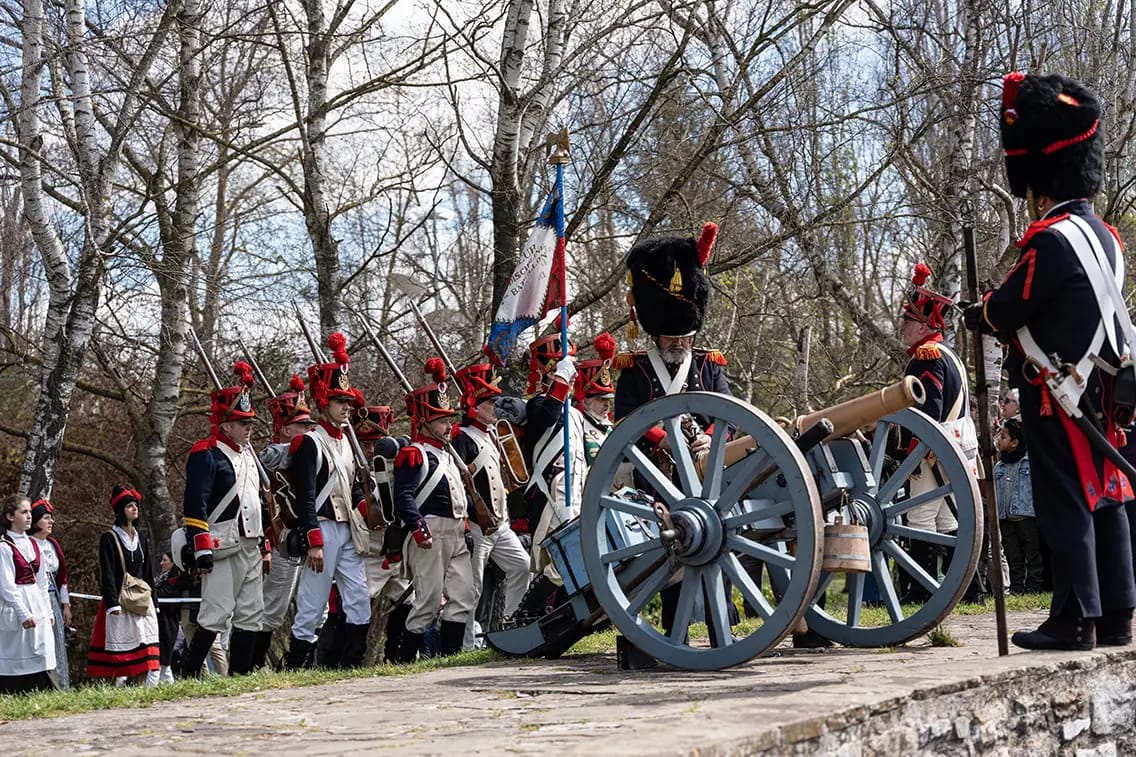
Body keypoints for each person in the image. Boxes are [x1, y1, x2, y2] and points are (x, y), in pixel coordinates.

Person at [964, 72, 1135, 649]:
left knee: (1064, 504)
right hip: (1104, 391)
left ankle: (1075, 619)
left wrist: (979, 312)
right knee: (1107, 495)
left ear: (1041, 183)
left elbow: (1011, 307)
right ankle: (1117, 614)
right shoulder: (1107, 236)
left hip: (1057, 388)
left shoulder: (1048, 239)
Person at [613, 222, 737, 645]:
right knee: (667, 553)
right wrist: (663, 439)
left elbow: (729, 414)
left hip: (706, 472)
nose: (680, 343)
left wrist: (708, 437)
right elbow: (625, 420)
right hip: (658, 474)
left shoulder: (708, 364)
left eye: (685, 336)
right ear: (655, 332)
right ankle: (670, 632)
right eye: (672, 336)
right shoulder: (635, 369)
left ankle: (722, 627)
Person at [285, 333, 372, 669]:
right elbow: (305, 495)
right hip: (321, 528)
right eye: (340, 402)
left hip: (348, 529)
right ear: (324, 404)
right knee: (312, 603)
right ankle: (296, 666)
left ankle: (353, 663)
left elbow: (353, 489)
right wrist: (313, 541)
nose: (347, 407)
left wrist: (368, 511)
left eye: (348, 402)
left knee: (359, 597)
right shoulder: (309, 443)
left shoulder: (347, 442)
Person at [180, 361, 270, 677]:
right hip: (220, 544)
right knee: (215, 612)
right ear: (225, 424)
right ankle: (189, 673)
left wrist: (265, 542)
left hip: (251, 542)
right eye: (241, 422)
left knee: (251, 613)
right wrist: (201, 547)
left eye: (249, 422)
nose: (248, 428)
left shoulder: (248, 456)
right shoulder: (205, 453)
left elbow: (256, 502)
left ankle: (241, 674)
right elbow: (195, 503)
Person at [897, 262, 978, 603]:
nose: (903, 326)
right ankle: (970, 590)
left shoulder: (927, 356)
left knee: (921, 517)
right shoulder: (949, 353)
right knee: (947, 519)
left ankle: (922, 590)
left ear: (924, 325)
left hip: (930, 447)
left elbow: (927, 409)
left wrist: (913, 454)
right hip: (952, 445)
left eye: (908, 321)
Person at [389, 358, 476, 662]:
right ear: (424, 421)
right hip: (429, 533)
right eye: (440, 420)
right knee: (427, 601)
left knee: (463, 595)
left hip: (454, 532)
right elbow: (404, 496)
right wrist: (417, 527)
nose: (447, 425)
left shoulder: (447, 455)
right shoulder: (414, 454)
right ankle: (403, 658)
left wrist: (465, 530)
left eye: (448, 419)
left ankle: (450, 658)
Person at [453, 361, 531, 650]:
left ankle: (510, 623)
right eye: (489, 402)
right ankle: (467, 644)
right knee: (472, 587)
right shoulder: (461, 437)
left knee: (521, 566)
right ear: (474, 405)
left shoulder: (494, 433)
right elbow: (459, 485)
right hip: (476, 525)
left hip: (500, 524)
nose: (495, 407)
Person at [255, 374, 317, 669]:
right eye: (301, 426)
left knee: (318, 607)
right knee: (274, 608)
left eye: (308, 426)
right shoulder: (271, 455)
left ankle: (301, 663)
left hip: (311, 533)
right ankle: (251, 665)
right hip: (283, 539)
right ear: (284, 428)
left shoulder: (310, 452)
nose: (307, 431)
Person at [354, 405, 414, 663]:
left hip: (398, 551)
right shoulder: (353, 471)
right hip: (370, 552)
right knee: (359, 606)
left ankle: (397, 656)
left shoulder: (397, 468)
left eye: (375, 443)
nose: (369, 451)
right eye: (364, 444)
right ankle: (352, 659)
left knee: (407, 601)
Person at [87, 485, 160, 686]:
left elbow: (148, 572)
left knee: (146, 650)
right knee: (120, 653)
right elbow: (107, 573)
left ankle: (139, 687)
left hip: (141, 602)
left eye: (135, 505)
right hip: (120, 602)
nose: (134, 508)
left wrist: (154, 600)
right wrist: (112, 603)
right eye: (129, 505)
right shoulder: (109, 538)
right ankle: (116, 689)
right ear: (120, 510)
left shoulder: (142, 537)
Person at [0, 494, 56, 694]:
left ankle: (43, 690)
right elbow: (6, 586)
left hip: (37, 602)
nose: (29, 516)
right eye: (24, 512)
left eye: (30, 512)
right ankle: (14, 691)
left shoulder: (34, 544)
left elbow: (42, 582)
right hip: (17, 604)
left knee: (41, 648)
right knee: (17, 649)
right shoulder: (4, 547)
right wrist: (22, 613)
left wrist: (48, 612)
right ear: (10, 516)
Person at [994, 419, 1044, 594]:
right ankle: (1017, 588)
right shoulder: (999, 466)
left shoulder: (1028, 463)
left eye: (1004, 436)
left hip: (1026, 514)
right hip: (1006, 516)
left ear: (1015, 443)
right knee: (1013, 555)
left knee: (1032, 553)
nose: (999, 439)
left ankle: (1035, 586)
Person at [28, 499, 70, 689]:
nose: (51, 522)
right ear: (36, 521)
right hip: (34, 599)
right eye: (46, 518)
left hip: (52, 598)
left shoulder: (53, 545)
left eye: (51, 518)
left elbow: (62, 578)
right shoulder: (28, 544)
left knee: (58, 642)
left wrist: (66, 604)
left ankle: (62, 685)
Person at [575, 333, 618, 465]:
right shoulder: (578, 427)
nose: (606, 404)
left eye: (607, 400)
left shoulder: (608, 427)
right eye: (601, 399)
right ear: (585, 402)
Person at [154, 551, 187, 683]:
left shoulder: (175, 579)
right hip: (159, 619)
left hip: (169, 620)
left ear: (172, 562)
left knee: (166, 656)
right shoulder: (161, 578)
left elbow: (165, 594)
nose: (161, 563)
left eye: (164, 560)